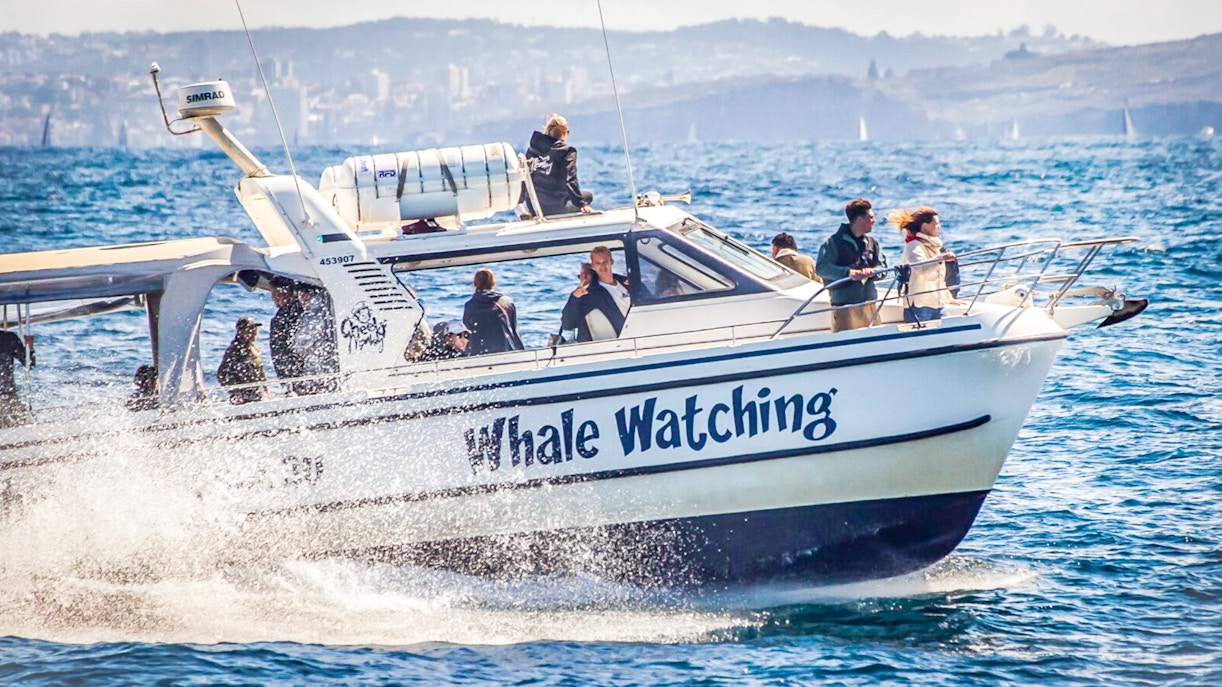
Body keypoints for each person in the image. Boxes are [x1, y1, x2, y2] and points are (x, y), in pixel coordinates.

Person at [815, 198, 888, 332]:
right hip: (845, 308)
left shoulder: (873, 243)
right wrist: (849, 273)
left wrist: (872, 272)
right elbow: (822, 268)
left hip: (869, 306)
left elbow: (883, 268)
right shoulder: (833, 243)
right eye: (871, 217)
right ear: (860, 219)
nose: (874, 221)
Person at [889, 206, 962, 323]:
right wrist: (941, 258)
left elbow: (939, 278)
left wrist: (948, 297)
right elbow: (921, 269)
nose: (939, 227)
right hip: (919, 306)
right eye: (936, 224)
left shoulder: (933, 246)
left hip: (937, 304)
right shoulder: (914, 245)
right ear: (925, 226)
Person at [522, 114, 593, 218]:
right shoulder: (567, 151)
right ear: (564, 133)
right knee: (588, 196)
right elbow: (570, 179)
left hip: (534, 206)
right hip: (555, 207)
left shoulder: (532, 150)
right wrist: (582, 204)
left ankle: (531, 213)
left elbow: (525, 179)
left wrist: (520, 201)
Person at [561, 246, 630, 342]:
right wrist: (575, 297)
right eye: (598, 263)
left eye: (605, 262)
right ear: (593, 266)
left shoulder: (628, 284)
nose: (602, 266)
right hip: (614, 344)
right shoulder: (588, 293)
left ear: (611, 262)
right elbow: (568, 324)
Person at [463, 268, 525, 355]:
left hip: (478, 355)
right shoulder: (506, 302)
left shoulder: (469, 306)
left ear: (475, 284)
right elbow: (514, 331)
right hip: (506, 352)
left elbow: (467, 329)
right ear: (493, 283)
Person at [294, 285, 340, 394]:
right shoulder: (325, 309)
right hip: (328, 363)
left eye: (304, 293)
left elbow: (303, 344)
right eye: (300, 294)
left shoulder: (313, 314)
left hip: (318, 365)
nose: (302, 298)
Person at [217, 317, 269, 405]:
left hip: (255, 393)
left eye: (254, 329)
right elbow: (222, 373)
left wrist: (265, 389)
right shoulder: (235, 349)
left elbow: (259, 371)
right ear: (241, 332)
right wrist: (236, 392)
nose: (254, 332)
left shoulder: (253, 348)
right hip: (242, 396)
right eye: (250, 329)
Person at [268, 277, 306, 395]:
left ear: (286, 294)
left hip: (294, 368)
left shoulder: (289, 313)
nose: (274, 298)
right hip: (290, 367)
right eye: (273, 295)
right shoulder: (294, 310)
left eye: (277, 294)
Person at [0, 330, 33, 427]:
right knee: (18, 425)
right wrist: (29, 347)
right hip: (7, 396)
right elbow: (29, 363)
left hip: (7, 395)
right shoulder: (8, 337)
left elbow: (29, 364)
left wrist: (29, 347)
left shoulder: (8, 338)